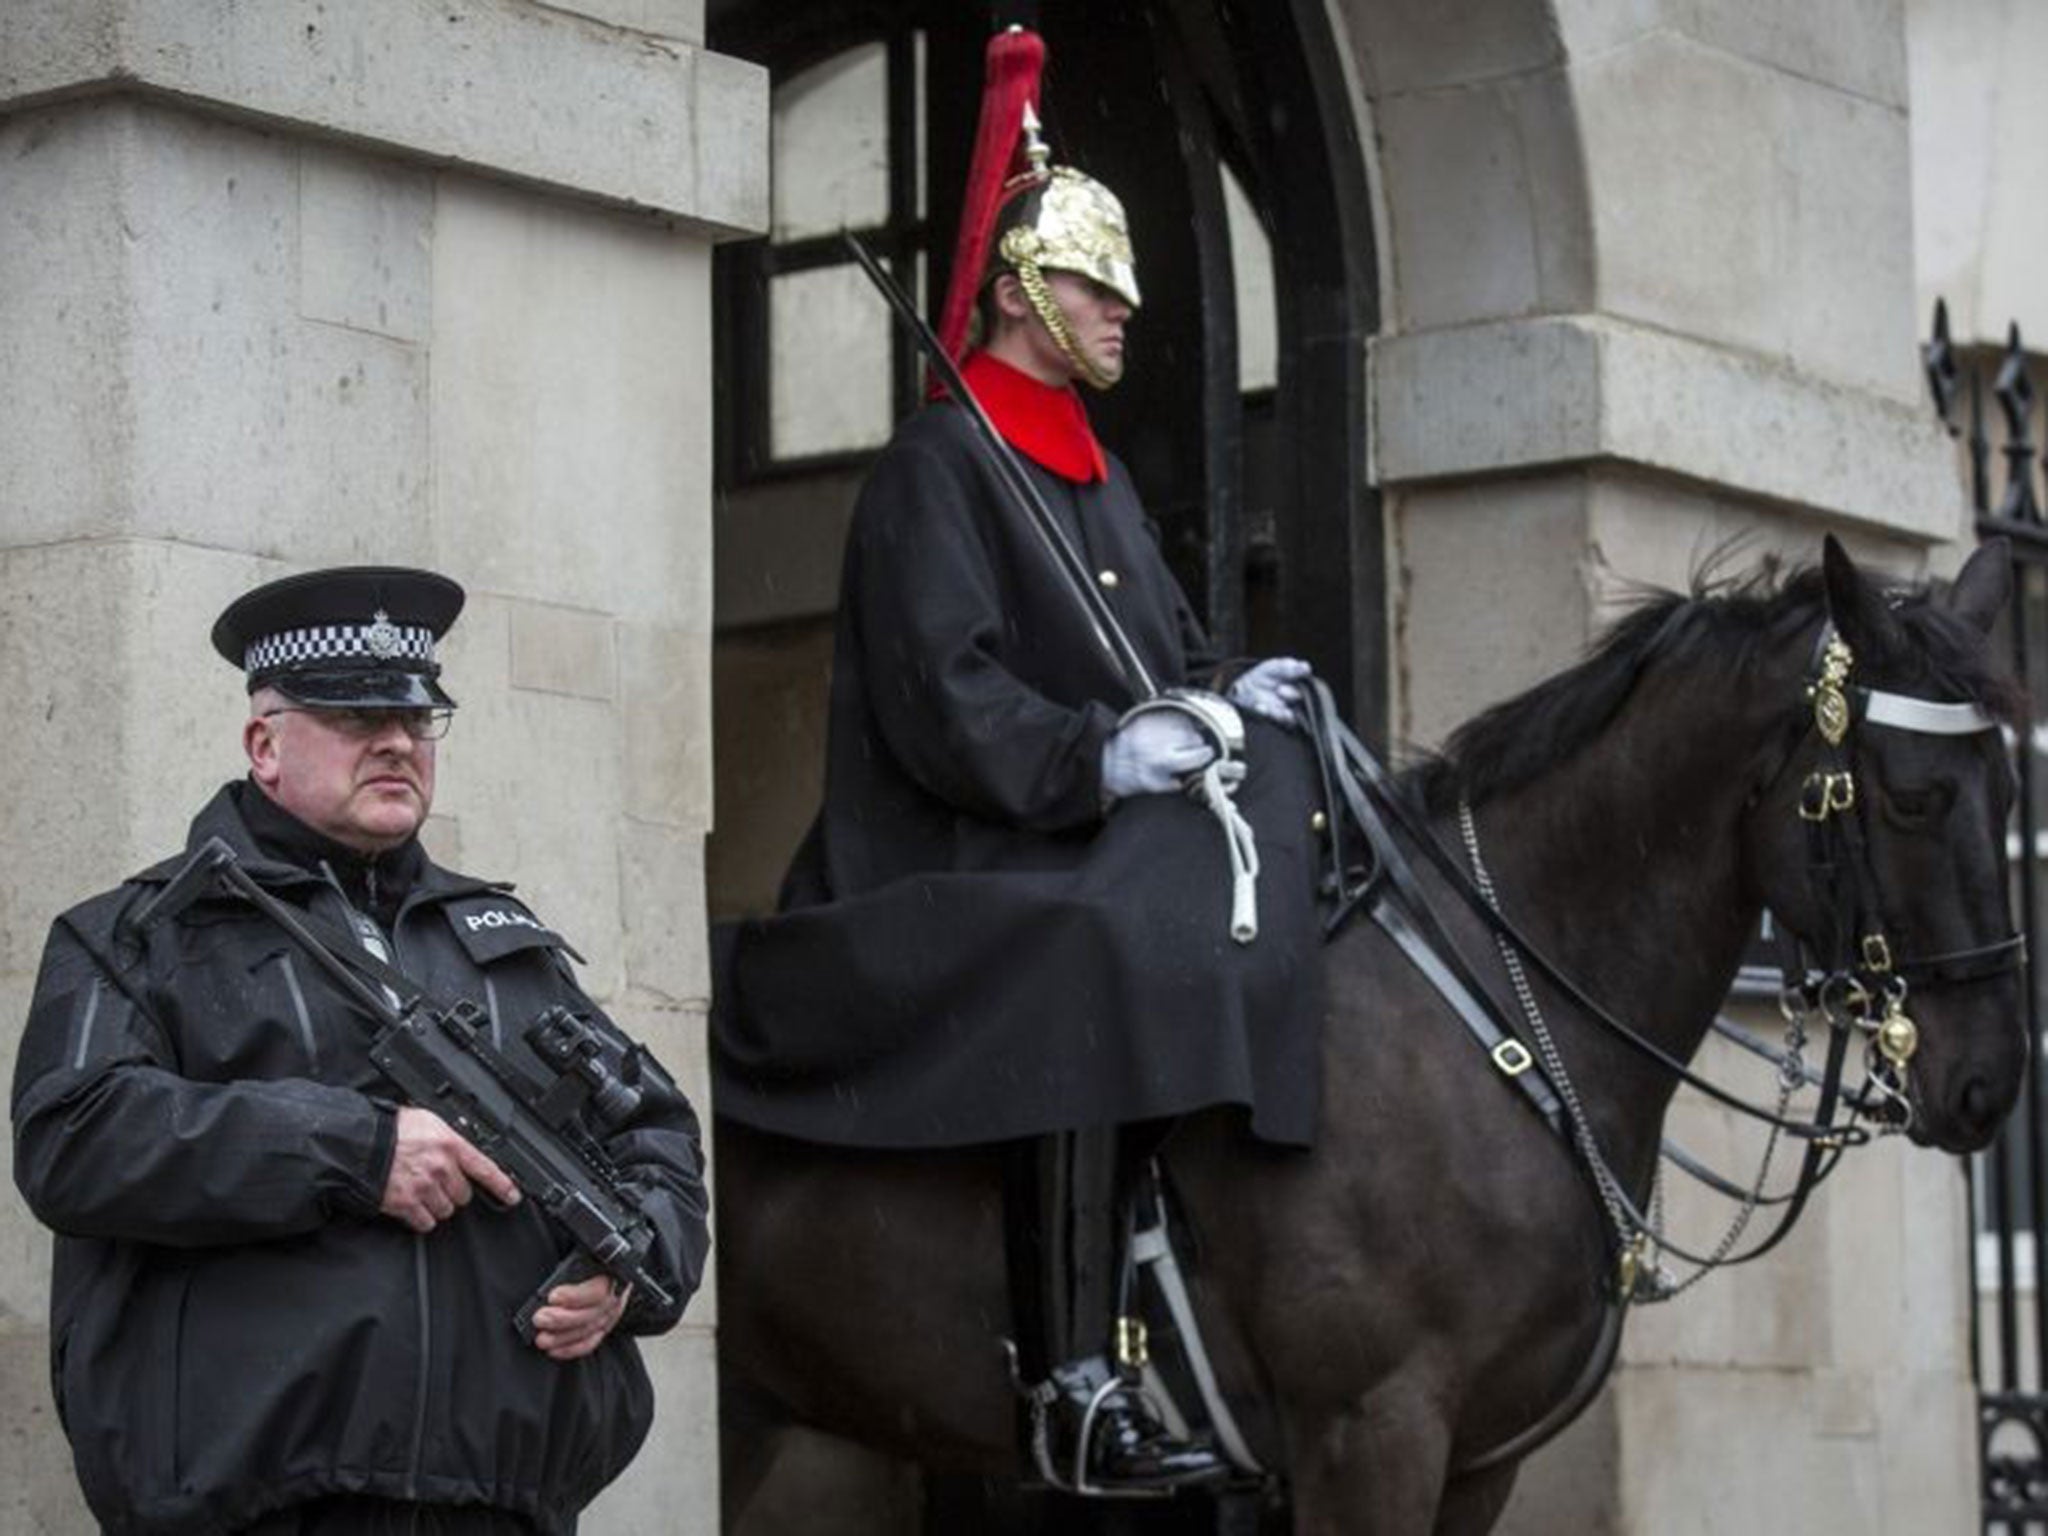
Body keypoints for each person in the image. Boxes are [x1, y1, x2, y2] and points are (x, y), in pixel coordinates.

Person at [715, 28, 1325, 1497]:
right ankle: (1070, 1379)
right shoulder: (942, 467)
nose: (1125, 309)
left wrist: (1230, 695)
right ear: (1015, 291)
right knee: (1094, 943)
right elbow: (947, 701)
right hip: (957, 846)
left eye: (1120, 285)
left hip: (1071, 826)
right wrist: (1104, 758)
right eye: (1094, 283)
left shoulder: (1092, 473)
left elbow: (1166, 655)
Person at [12, 566, 710, 1536]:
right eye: (354, 718)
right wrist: (355, 1148)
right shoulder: (140, 935)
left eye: (416, 720)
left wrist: (629, 1269)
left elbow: (657, 1130)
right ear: (265, 744)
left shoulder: (505, 946)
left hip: (502, 1501)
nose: (394, 741)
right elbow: (73, 1140)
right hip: (262, 1504)